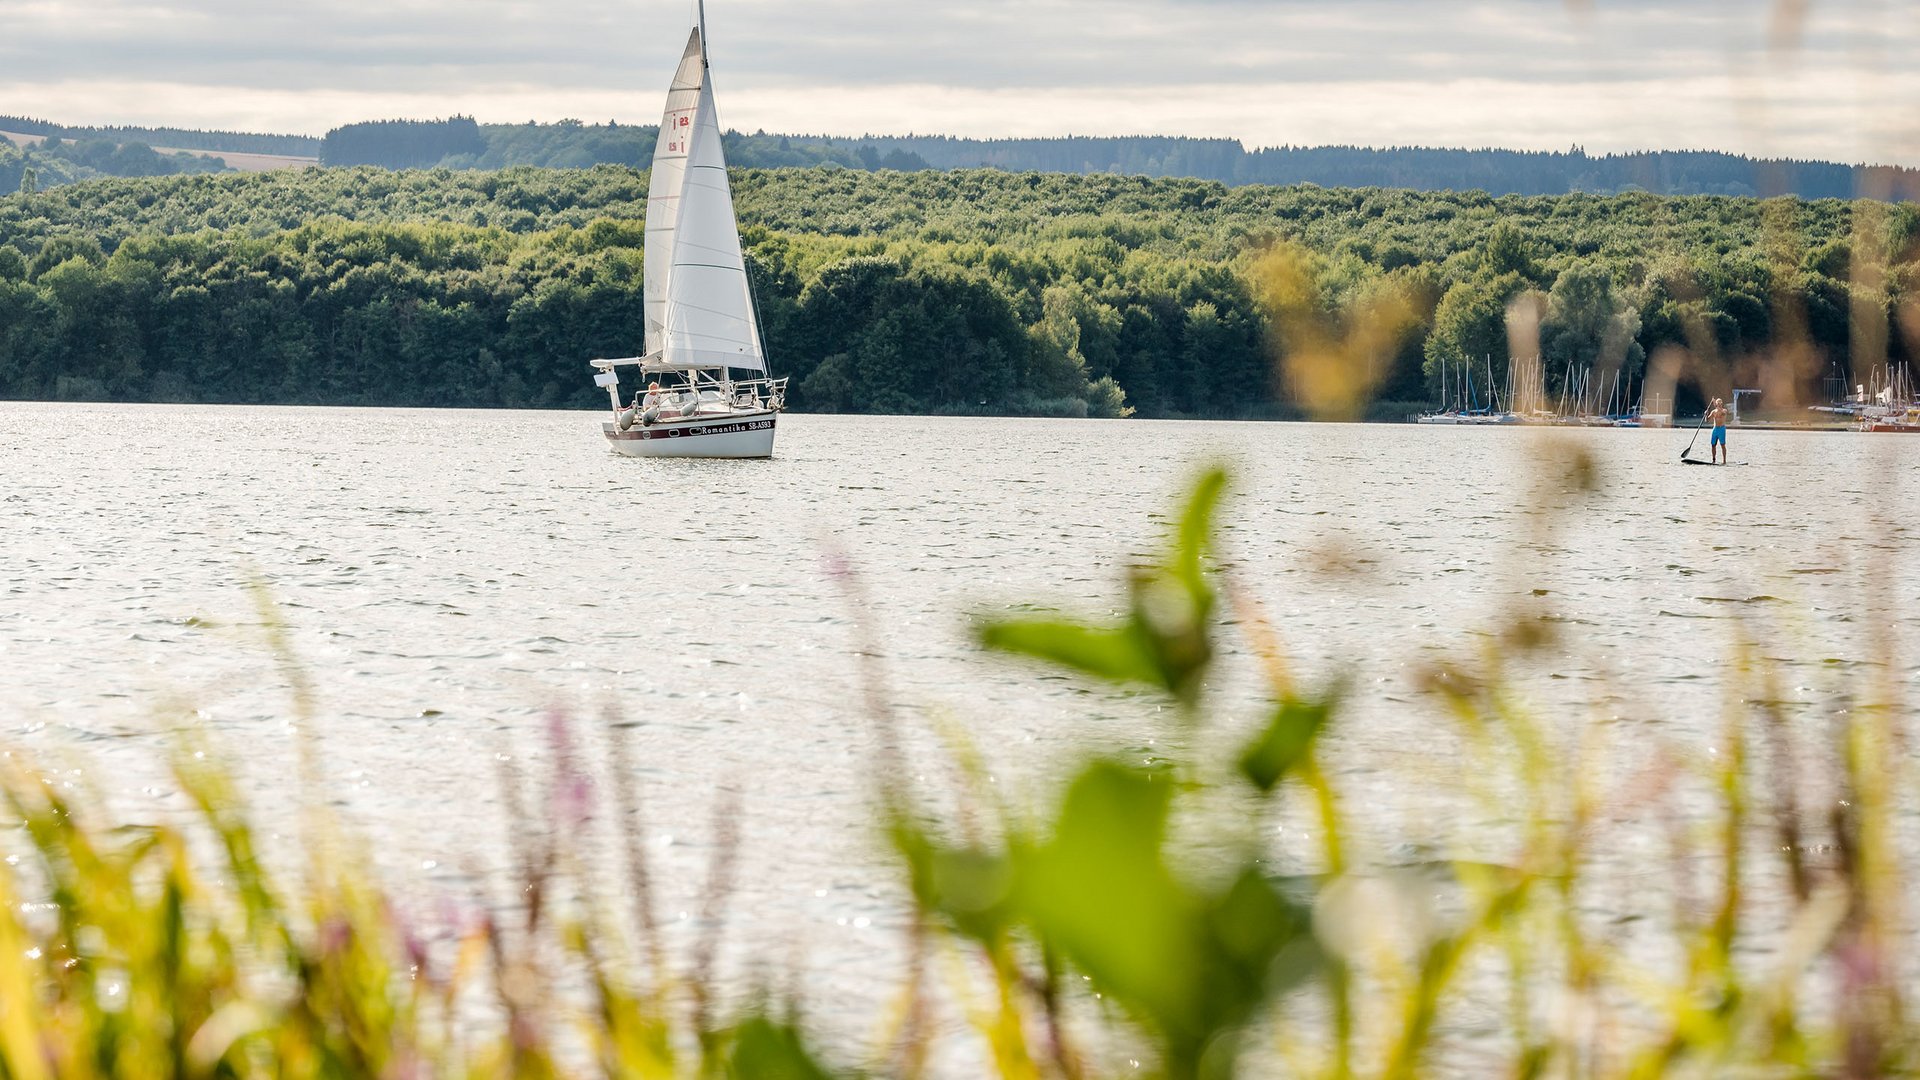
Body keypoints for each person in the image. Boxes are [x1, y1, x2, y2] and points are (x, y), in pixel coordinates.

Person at [1707, 397, 1729, 464]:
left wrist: (1714, 403)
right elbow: (1707, 420)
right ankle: (1713, 460)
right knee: (1713, 445)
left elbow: (1721, 413)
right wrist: (1706, 414)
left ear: (1722, 403)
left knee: (1722, 445)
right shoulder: (1713, 412)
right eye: (1718, 403)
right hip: (1715, 429)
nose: (1719, 404)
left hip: (1721, 429)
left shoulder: (1724, 410)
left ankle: (1724, 460)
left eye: (1720, 403)